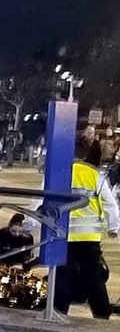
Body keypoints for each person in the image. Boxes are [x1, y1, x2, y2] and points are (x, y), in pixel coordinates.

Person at [52, 135, 120, 319]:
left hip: (64, 234)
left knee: (62, 274)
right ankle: (102, 313)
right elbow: (110, 204)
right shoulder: (95, 175)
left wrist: (30, 223)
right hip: (89, 236)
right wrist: (113, 228)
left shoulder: (60, 173)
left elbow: (43, 199)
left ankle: (59, 310)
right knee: (94, 277)